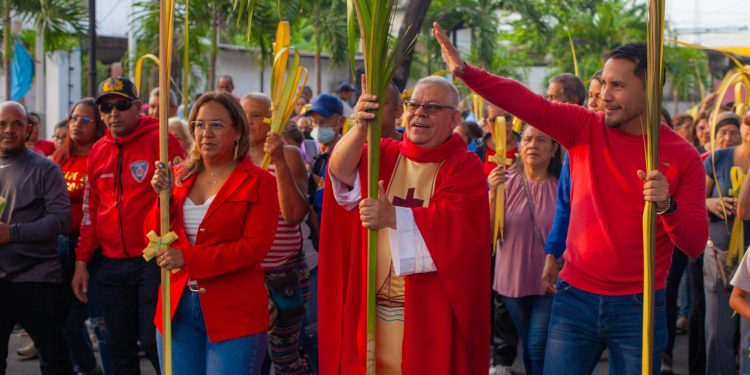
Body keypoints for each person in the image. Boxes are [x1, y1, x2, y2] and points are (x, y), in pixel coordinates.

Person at [434, 23, 707, 374]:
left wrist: (667, 206)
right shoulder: (583, 126)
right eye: (604, 83)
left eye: (618, 86)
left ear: (650, 89)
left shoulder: (682, 155)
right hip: (574, 298)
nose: (605, 95)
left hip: (640, 308)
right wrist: (467, 73)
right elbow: (526, 102)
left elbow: (695, 242)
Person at [323, 75, 490, 374]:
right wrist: (360, 126)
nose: (420, 112)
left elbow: (461, 233)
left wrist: (393, 217)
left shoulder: (464, 167)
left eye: (433, 107)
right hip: (373, 309)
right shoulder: (384, 152)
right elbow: (340, 169)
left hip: (426, 315)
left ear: (454, 118)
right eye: (414, 104)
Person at [149, 91, 278, 375]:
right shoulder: (178, 176)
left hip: (235, 312)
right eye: (199, 124)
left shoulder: (259, 182)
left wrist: (189, 258)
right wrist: (163, 197)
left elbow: (255, 248)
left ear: (237, 132)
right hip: (176, 308)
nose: (206, 132)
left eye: (217, 125)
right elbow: (153, 235)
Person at [71, 77, 185, 375]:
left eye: (121, 105)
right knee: (117, 346)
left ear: (137, 107)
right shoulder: (98, 150)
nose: (113, 114)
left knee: (154, 341)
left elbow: (186, 193)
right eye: (106, 108)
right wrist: (82, 261)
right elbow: (90, 211)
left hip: (152, 260)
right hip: (109, 264)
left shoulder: (161, 139)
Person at [0, 101, 73, 374]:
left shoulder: (45, 169)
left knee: (54, 360)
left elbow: (61, 219)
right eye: (2, 124)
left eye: (17, 124)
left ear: (28, 129)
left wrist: (12, 233)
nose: (9, 130)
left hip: (36, 281)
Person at [241, 93, 310, 374]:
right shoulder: (230, 157)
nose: (248, 122)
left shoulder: (289, 154)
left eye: (257, 115)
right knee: (245, 356)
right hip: (242, 273)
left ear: (273, 120)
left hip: (283, 274)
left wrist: (279, 160)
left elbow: (294, 215)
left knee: (284, 357)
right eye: (243, 114)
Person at [489, 125, 562, 375]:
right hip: (513, 278)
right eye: (528, 139)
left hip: (550, 279)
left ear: (554, 149)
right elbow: (489, 234)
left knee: (537, 343)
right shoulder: (504, 183)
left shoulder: (563, 187)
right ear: (520, 147)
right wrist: (491, 195)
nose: (532, 145)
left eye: (541, 140)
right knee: (529, 343)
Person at [52, 98, 108, 375]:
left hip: (92, 249)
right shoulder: (60, 157)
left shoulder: (100, 156)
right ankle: (86, 368)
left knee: (94, 318)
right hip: (59, 246)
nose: (76, 124)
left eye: (85, 120)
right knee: (64, 318)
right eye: (74, 117)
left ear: (98, 125)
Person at [703, 111, 750, 374]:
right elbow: (692, 202)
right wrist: (709, 202)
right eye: (748, 120)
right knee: (716, 333)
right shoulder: (718, 158)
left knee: (748, 340)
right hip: (718, 255)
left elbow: (744, 211)